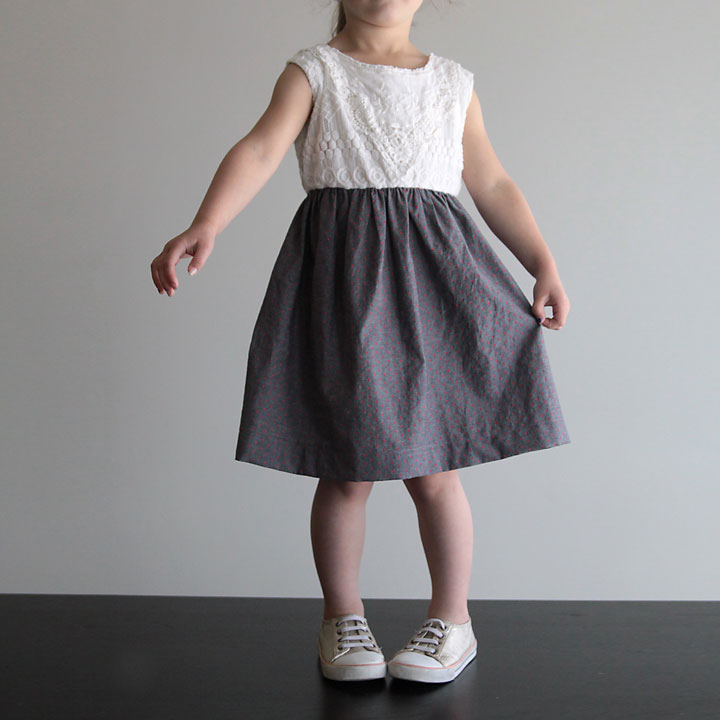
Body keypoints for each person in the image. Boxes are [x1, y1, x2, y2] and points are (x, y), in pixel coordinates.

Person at [150, 0, 571, 685]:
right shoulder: (313, 71)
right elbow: (260, 148)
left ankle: (453, 621)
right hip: (343, 283)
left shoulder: (452, 81)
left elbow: (490, 180)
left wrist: (542, 263)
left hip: (437, 282)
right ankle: (341, 618)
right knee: (345, 465)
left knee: (436, 467)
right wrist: (207, 223)